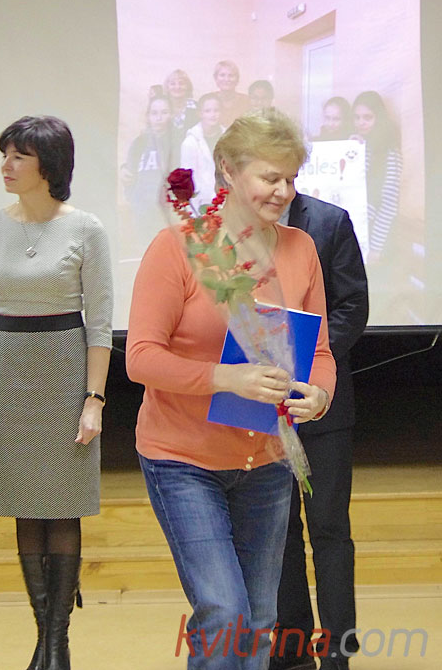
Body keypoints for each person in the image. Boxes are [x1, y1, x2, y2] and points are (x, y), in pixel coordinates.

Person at [126, 111, 336, 669]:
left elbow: (319, 353)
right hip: (183, 460)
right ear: (227, 170)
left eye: (291, 179)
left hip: (267, 461)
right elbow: (140, 357)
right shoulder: (178, 248)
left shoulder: (301, 249)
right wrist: (226, 377)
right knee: (225, 613)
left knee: (261, 621)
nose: (283, 191)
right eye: (270, 177)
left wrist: (318, 396)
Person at [0, 115, 113, 670]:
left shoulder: (87, 229)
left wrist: (94, 400)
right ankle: (47, 642)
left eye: (18, 156)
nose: (6, 165)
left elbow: (100, 325)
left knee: (64, 506)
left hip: (66, 375)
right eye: (4, 154)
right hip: (7, 378)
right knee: (25, 508)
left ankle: (56, 642)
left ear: (48, 164)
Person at [269, 194, 368, 670]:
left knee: (329, 529)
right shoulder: (232, 230)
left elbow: (352, 306)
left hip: (323, 402)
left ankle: (337, 651)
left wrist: (304, 362)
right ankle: (291, 649)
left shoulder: (329, 222)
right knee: (278, 532)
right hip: (261, 403)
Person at [351, 90, 402, 265]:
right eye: (357, 117)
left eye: (367, 117)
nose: (361, 122)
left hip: (375, 237)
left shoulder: (390, 153)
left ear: (378, 118)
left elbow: (389, 204)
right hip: (353, 231)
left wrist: (376, 247)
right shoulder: (356, 144)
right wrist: (353, 149)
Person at [121, 94, 176, 249]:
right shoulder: (139, 142)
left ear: (171, 115)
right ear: (148, 116)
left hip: (166, 209)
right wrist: (134, 198)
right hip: (143, 207)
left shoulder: (176, 141)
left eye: (164, 112)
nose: (159, 118)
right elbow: (130, 173)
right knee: (145, 248)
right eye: (154, 113)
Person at [180, 92, 225, 214]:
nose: (213, 115)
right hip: (201, 205)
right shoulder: (190, 142)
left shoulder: (228, 138)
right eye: (207, 111)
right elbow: (188, 178)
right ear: (200, 113)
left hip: (226, 201)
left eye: (216, 110)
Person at [212, 59, 250, 127]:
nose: (226, 79)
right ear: (215, 78)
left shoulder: (247, 101)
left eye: (231, 76)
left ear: (237, 79)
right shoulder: (208, 100)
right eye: (222, 75)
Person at [164, 68, 199, 136]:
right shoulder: (162, 107)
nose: (177, 87)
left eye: (181, 83)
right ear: (167, 87)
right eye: (173, 84)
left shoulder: (197, 107)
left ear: (187, 86)